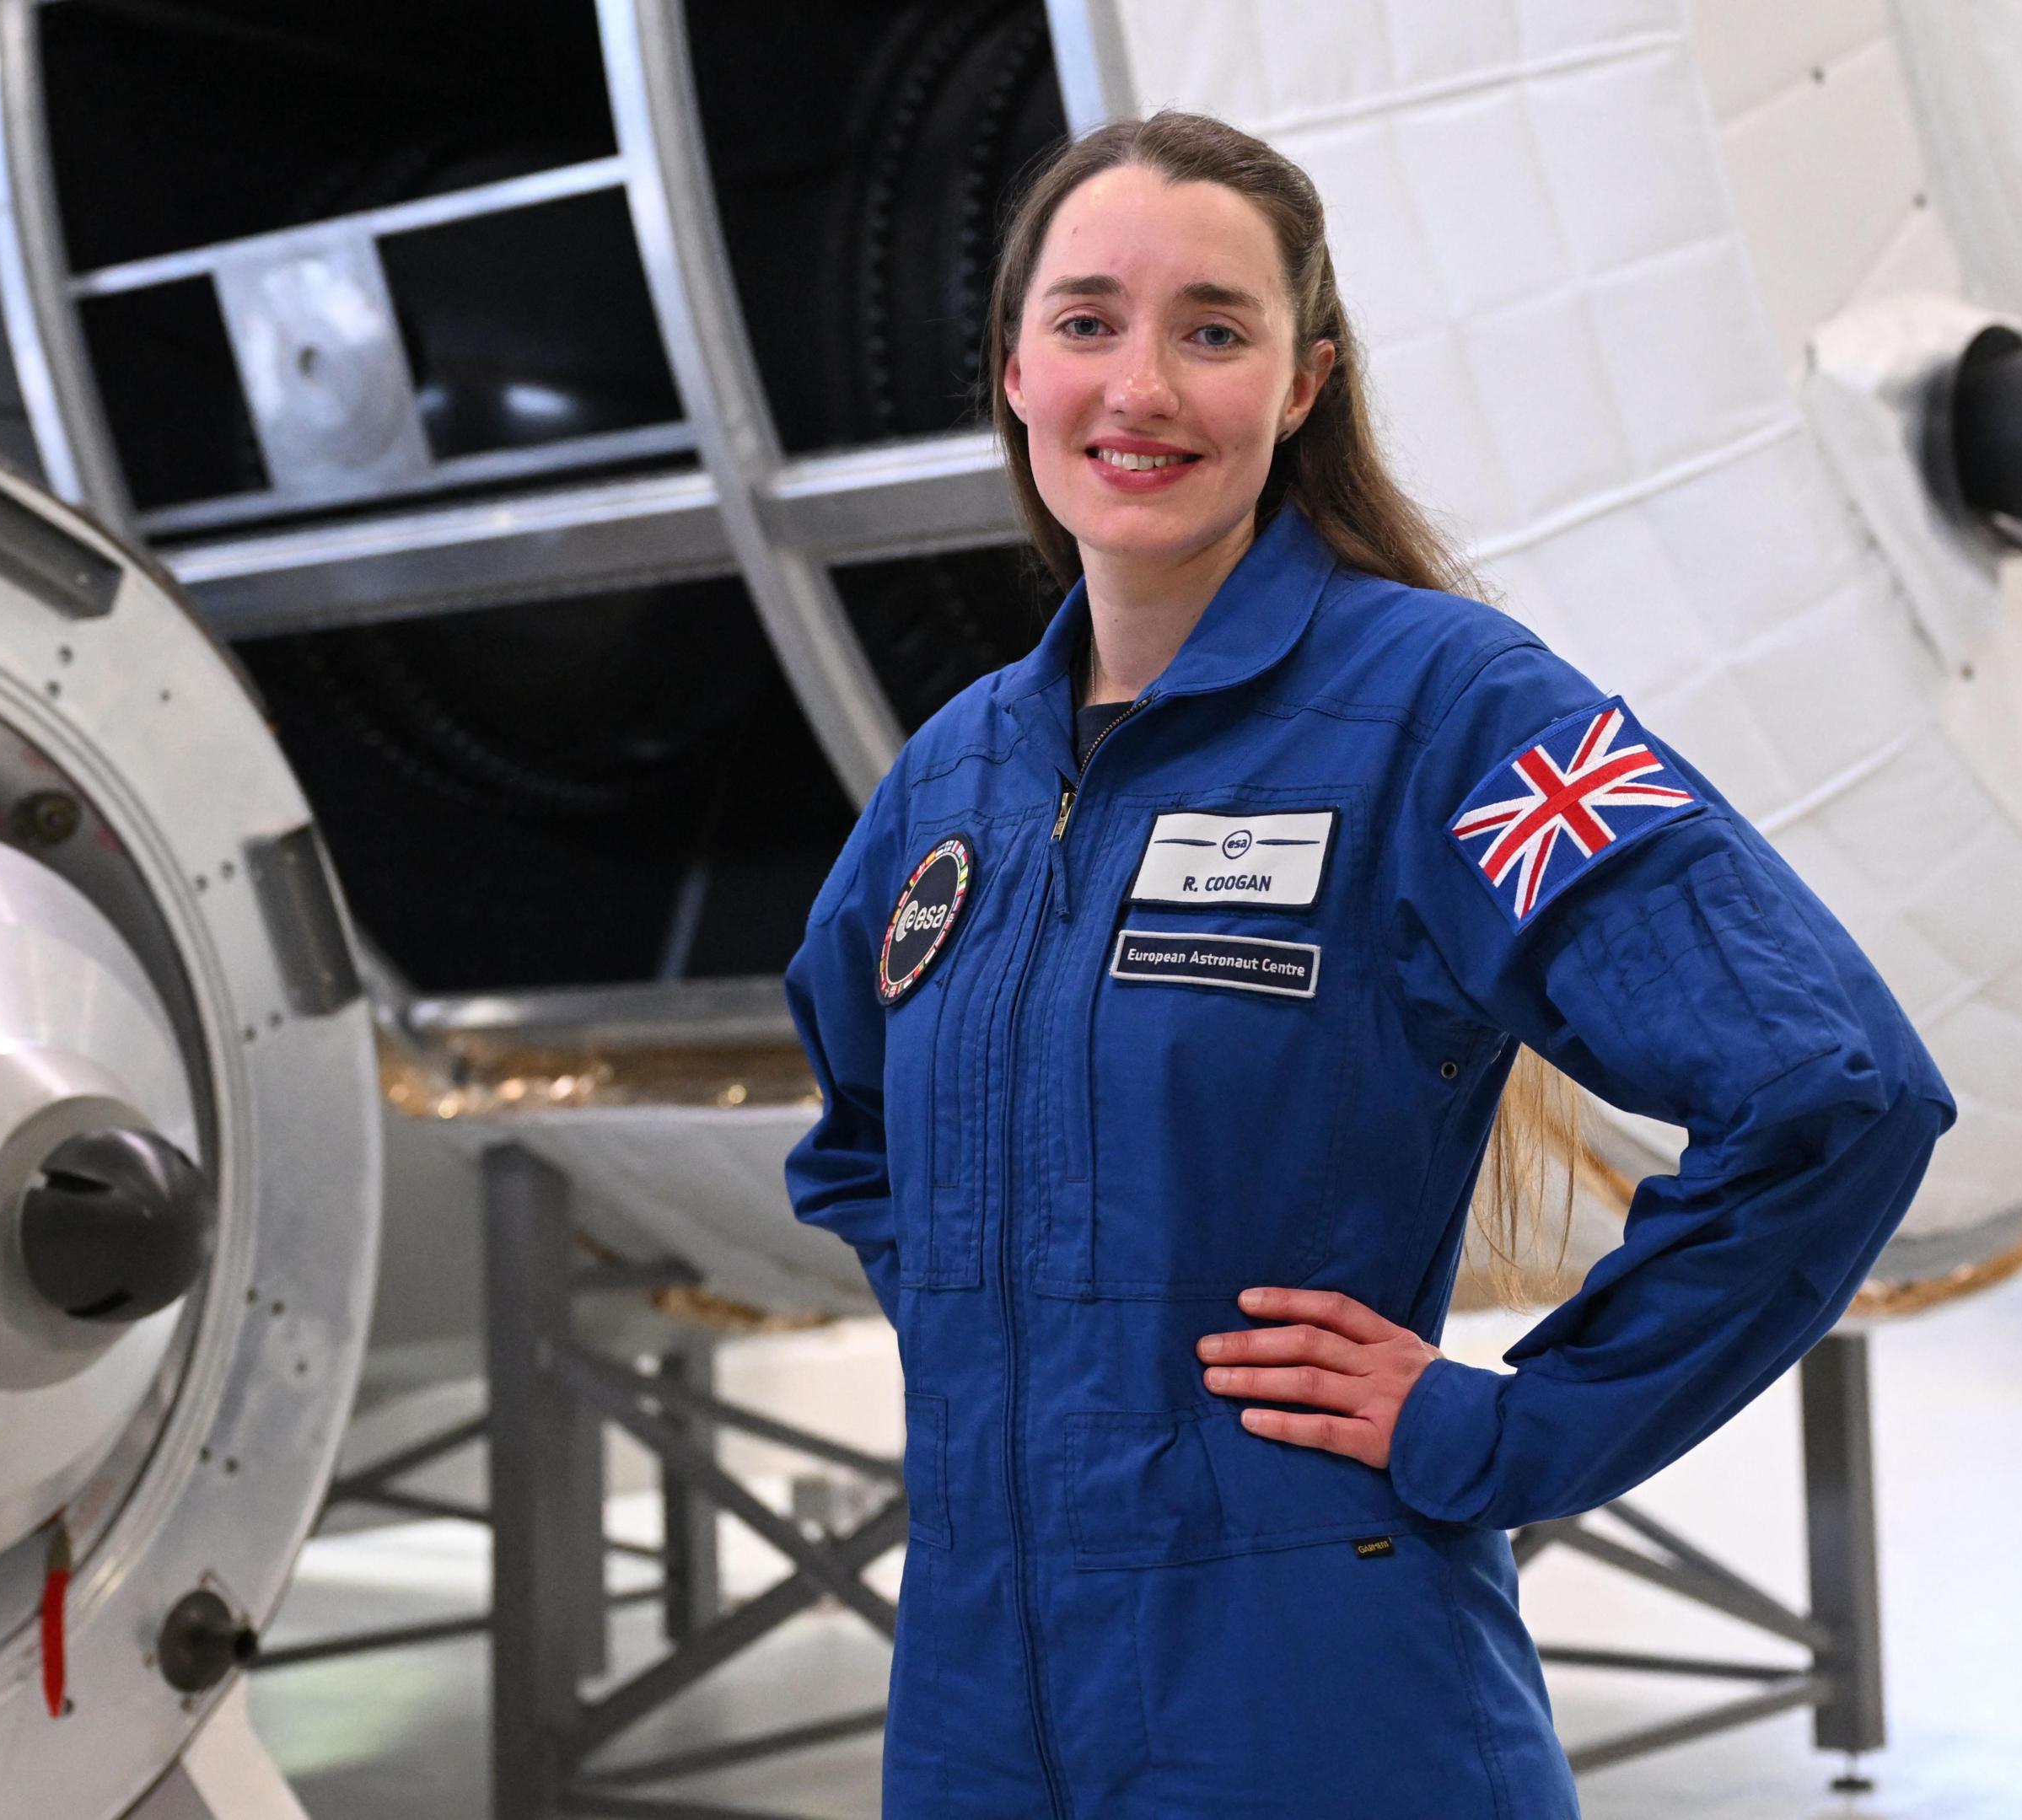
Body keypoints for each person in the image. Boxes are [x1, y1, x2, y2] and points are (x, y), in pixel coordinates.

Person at [782, 110, 1955, 1817]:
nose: (1144, 388)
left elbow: (1831, 1092)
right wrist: (1008, 1348)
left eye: (1215, 331)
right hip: (975, 1704)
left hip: (1311, 1705)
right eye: (1090, 322)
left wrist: (1509, 1432)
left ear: (1306, 383)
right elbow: (858, 1128)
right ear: (1015, 369)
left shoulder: (1452, 712)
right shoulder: (955, 776)